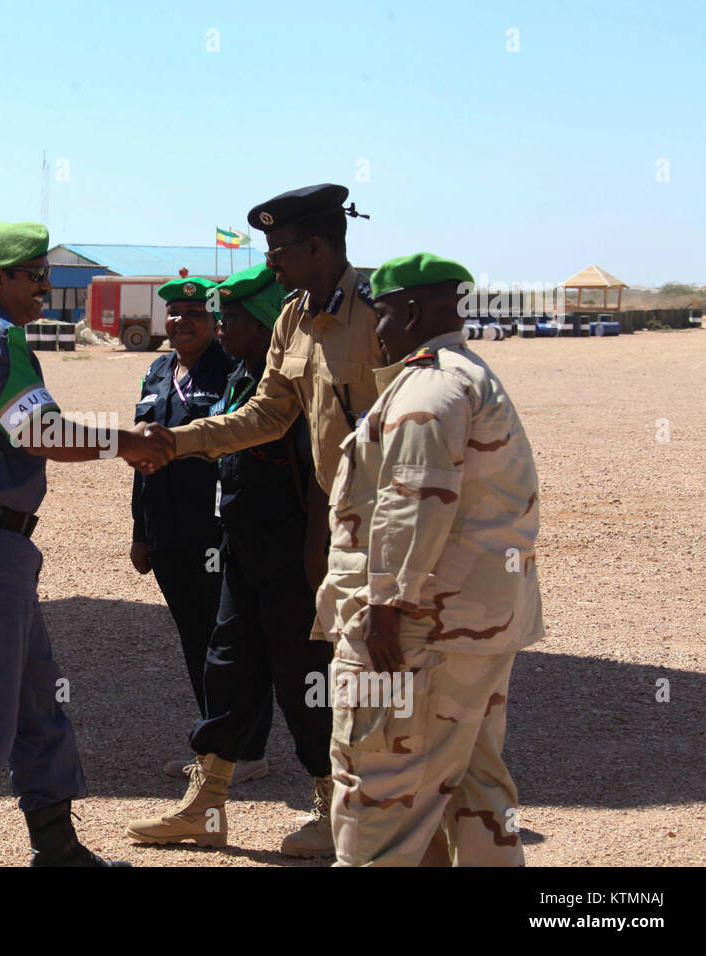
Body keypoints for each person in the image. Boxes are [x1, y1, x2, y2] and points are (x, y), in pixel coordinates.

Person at [0, 221, 170, 866]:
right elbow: (38, 430)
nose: (45, 285)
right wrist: (125, 443)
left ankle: (56, 845)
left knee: (35, 695)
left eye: (43, 272)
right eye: (33, 274)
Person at [150, 183, 380, 856]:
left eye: (281, 250)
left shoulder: (377, 316)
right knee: (230, 661)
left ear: (319, 245)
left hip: (357, 528)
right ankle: (207, 800)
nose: (273, 263)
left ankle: (346, 811)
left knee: (329, 669)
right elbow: (270, 413)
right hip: (300, 527)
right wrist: (180, 441)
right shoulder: (293, 319)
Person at [319, 252, 543, 866]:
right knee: (473, 792)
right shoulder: (468, 375)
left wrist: (386, 607)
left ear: (412, 310)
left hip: (422, 628)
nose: (379, 329)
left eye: (383, 314)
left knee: (380, 794)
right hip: (471, 626)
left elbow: (414, 502)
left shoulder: (430, 388)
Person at [126, 263, 332, 848]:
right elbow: (234, 431)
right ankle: (206, 805)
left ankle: (335, 807)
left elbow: (319, 475)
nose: (223, 323)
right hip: (244, 549)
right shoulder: (249, 375)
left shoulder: (298, 381)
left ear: (264, 322)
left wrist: (317, 553)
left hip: (292, 556)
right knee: (227, 667)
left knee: (302, 677)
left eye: (233, 315)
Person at [130, 277, 261, 779]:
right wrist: (141, 532)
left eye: (195, 313)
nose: (182, 321)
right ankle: (216, 744)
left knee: (228, 639)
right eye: (175, 312)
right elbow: (142, 455)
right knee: (193, 637)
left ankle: (245, 752)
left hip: (216, 530)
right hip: (167, 530)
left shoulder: (233, 370)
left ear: (216, 322)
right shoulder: (158, 370)